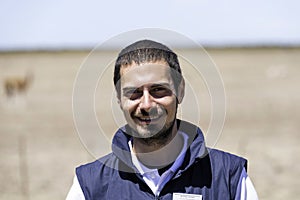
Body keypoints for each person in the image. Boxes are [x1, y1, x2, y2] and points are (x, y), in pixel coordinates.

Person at [67, 39, 258, 200]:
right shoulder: (90, 186)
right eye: (133, 93)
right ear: (119, 99)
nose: (147, 105)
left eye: (159, 90)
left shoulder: (229, 177)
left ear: (180, 91)